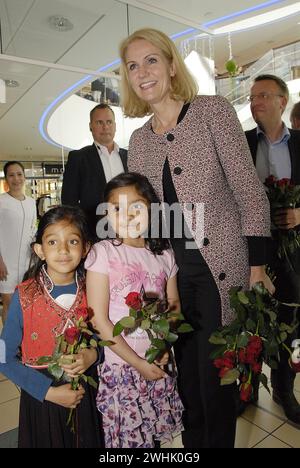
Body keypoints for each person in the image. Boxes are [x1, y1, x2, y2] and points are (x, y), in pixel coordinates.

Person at [119, 28, 274, 448]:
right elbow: (147, 219)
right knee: (185, 383)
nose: (142, 72)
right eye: (133, 65)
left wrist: (257, 266)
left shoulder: (212, 112)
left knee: (215, 385)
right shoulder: (138, 140)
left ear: (171, 65)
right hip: (171, 280)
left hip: (220, 274)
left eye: (151, 60)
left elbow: (248, 191)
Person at [85, 172, 184, 448]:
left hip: (158, 362)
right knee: (126, 441)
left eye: (136, 207)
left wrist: (164, 346)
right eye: (117, 208)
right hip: (123, 369)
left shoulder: (165, 255)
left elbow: (174, 308)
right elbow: (100, 321)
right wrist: (138, 363)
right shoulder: (103, 253)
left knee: (151, 435)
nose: (127, 215)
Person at [0, 206, 103, 448]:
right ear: (40, 250)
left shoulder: (94, 289)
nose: (64, 250)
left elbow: (104, 334)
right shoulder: (24, 295)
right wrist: (49, 392)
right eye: (53, 242)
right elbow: (3, 357)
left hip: (85, 393)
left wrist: (93, 354)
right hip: (42, 398)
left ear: (86, 248)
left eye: (73, 241)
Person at [245, 74, 300, 424]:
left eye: (263, 95)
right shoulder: (240, 142)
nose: (254, 103)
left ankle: (283, 388)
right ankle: (246, 388)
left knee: (290, 322)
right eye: (251, 98)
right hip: (250, 251)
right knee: (248, 318)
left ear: (282, 100)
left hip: (294, 252)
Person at [61, 103, 128, 235]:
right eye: (99, 122)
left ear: (115, 125)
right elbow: (69, 202)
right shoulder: (78, 158)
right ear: (90, 126)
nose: (105, 127)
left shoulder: (130, 156)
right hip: (95, 232)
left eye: (109, 122)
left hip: (129, 228)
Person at [0, 161, 36, 323]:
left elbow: (32, 229)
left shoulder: (31, 202)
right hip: (5, 263)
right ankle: (8, 343)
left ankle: (23, 341)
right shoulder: (1, 202)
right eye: (11, 175)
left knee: (24, 303)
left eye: (19, 174)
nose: (16, 178)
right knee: (8, 302)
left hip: (28, 262)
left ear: (24, 176)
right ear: (6, 178)